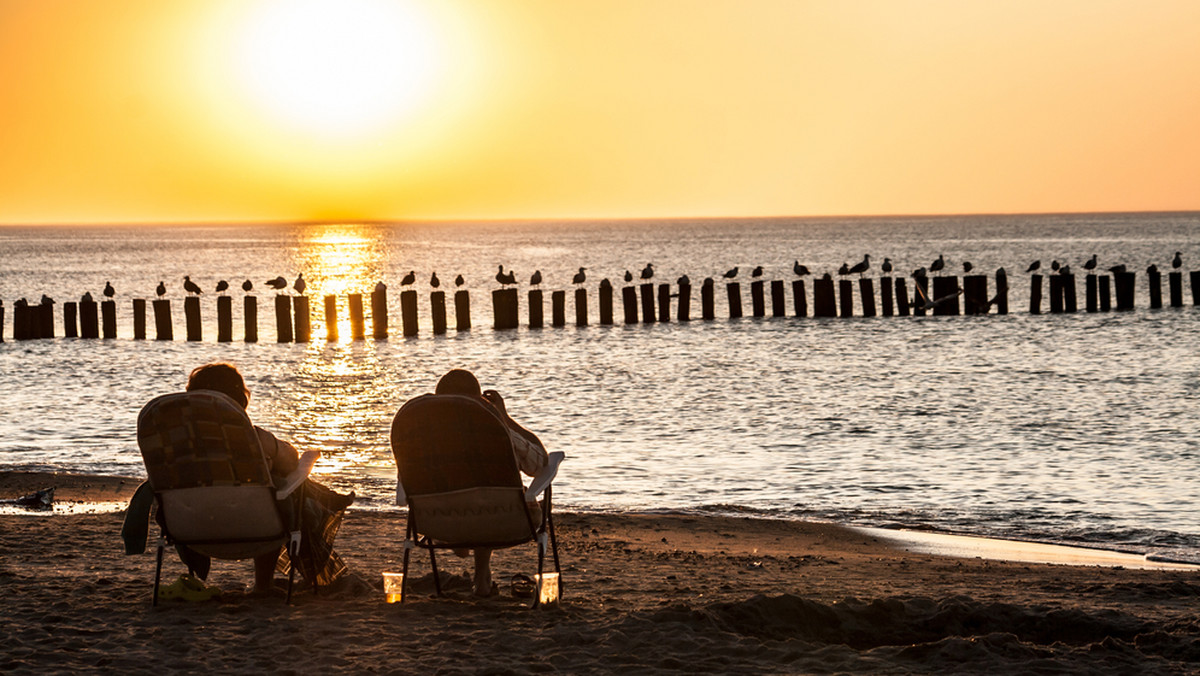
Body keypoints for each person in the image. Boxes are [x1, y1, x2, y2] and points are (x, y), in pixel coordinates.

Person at [183, 362, 353, 595]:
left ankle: (325, 496)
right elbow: (291, 459)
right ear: (237, 399)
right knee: (278, 491)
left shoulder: (178, 443)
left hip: (192, 524)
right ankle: (265, 584)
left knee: (272, 481)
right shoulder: (251, 438)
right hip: (254, 526)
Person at [432, 368, 549, 596]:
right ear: (479, 401)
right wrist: (505, 419)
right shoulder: (498, 433)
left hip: (439, 521)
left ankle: (467, 550)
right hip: (502, 518)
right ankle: (481, 575)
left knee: (474, 498)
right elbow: (541, 464)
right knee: (494, 500)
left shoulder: (423, 442)